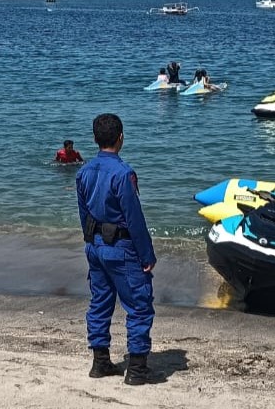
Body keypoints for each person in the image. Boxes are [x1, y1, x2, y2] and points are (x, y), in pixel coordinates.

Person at [76, 114, 159, 385]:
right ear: (121, 137)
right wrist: (146, 256)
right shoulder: (123, 174)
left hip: (96, 246)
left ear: (94, 139)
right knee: (139, 304)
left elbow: (83, 214)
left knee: (100, 302)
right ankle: (136, 370)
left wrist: (91, 242)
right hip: (122, 248)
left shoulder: (84, 172)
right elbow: (134, 218)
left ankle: (100, 363)